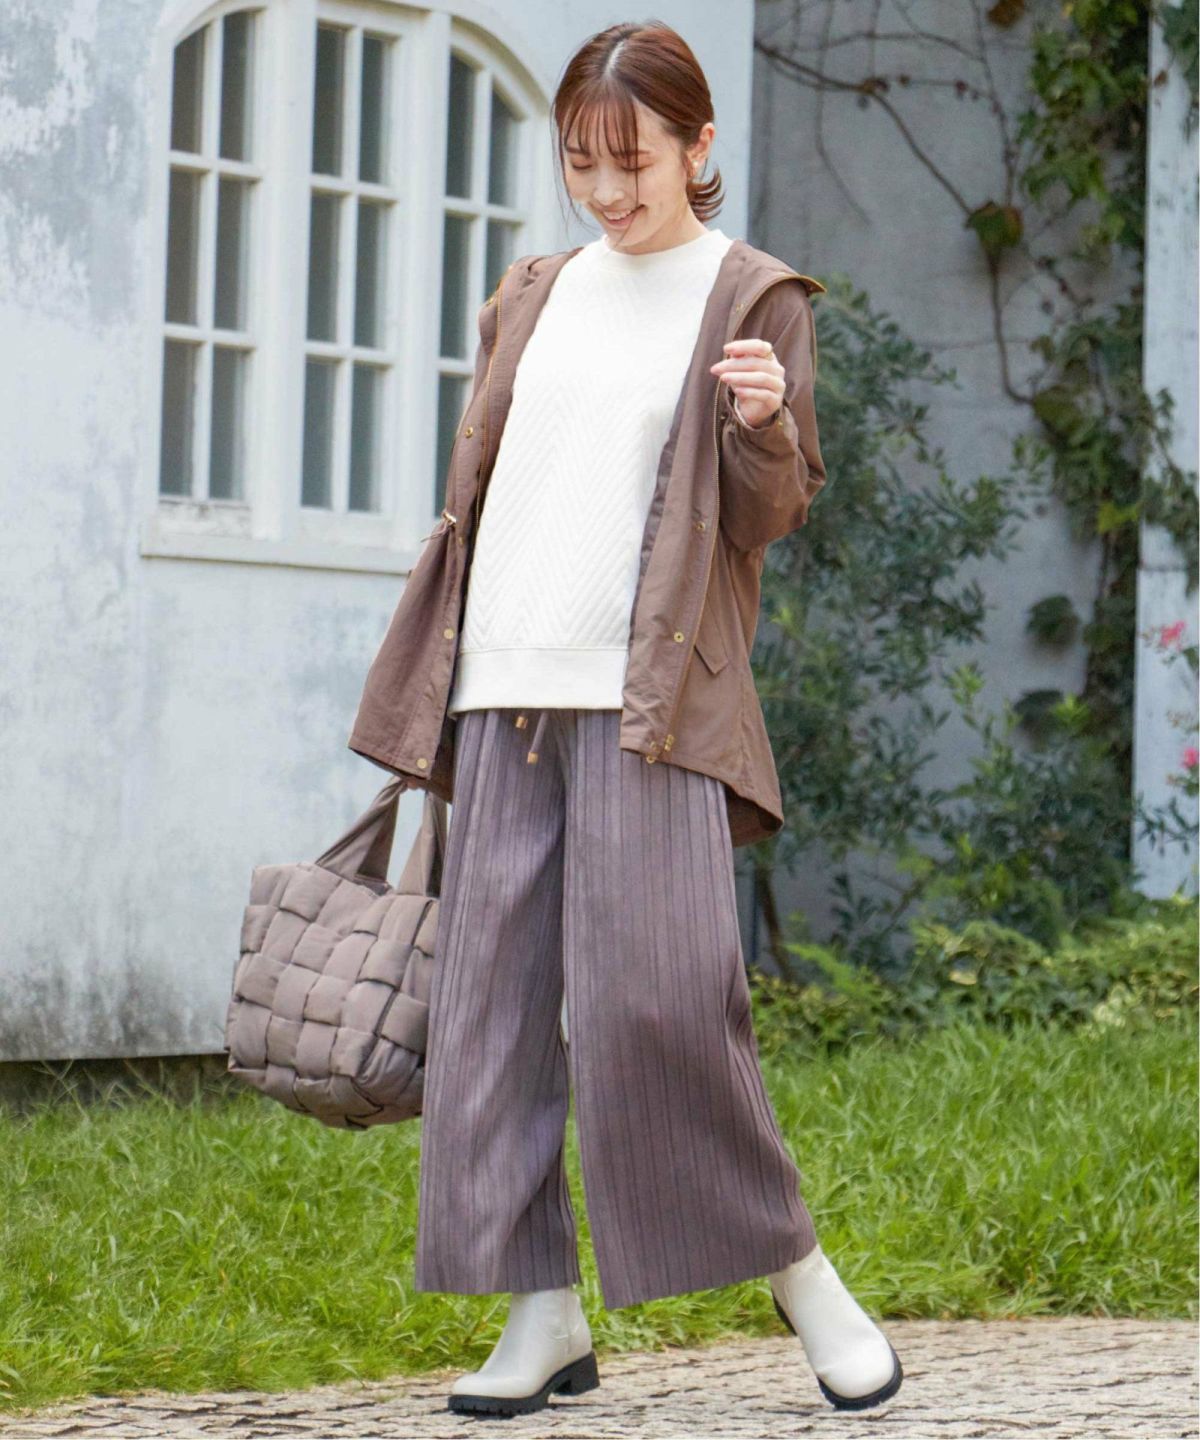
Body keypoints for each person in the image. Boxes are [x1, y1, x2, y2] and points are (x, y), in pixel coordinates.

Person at [350, 18, 903, 1420]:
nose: (606, 191)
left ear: (698, 145)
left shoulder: (752, 296)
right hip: (500, 689)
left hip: (647, 699)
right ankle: (539, 1314)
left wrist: (765, 424)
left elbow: (767, 517)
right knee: (489, 1012)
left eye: (634, 161)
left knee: (659, 1002)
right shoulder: (532, 293)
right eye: (582, 162)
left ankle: (800, 1276)